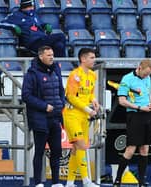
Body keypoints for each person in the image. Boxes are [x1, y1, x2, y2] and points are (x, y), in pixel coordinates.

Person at [22, 46, 65, 187]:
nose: (52, 57)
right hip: (40, 118)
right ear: (41, 56)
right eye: (48, 55)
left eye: (52, 55)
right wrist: (44, 106)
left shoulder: (56, 70)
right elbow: (26, 96)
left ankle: (56, 182)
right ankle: (38, 183)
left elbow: (60, 90)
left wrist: (61, 104)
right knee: (39, 150)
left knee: (57, 151)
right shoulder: (31, 74)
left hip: (55, 117)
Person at [113, 59, 151, 187]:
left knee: (145, 148)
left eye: (148, 74)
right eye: (145, 74)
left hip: (147, 114)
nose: (146, 76)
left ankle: (141, 181)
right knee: (131, 149)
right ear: (139, 68)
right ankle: (118, 179)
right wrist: (138, 107)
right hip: (134, 115)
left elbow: (148, 95)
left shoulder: (148, 78)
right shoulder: (127, 79)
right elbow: (122, 101)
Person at [63, 48, 100, 187]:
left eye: (94, 57)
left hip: (84, 116)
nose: (93, 60)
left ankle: (70, 182)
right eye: (91, 57)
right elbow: (71, 97)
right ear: (83, 59)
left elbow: (89, 92)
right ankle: (86, 181)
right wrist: (87, 109)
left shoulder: (92, 75)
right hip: (72, 114)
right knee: (82, 146)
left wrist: (94, 99)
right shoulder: (74, 75)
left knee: (76, 149)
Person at [0, 0, 66, 57]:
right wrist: (14, 26)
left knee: (59, 46)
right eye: (30, 6)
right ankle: (63, 61)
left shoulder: (34, 15)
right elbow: (0, 23)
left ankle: (59, 65)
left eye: (32, 6)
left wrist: (45, 25)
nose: (32, 8)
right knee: (61, 36)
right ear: (24, 7)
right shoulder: (16, 15)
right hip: (33, 42)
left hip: (42, 39)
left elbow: (40, 24)